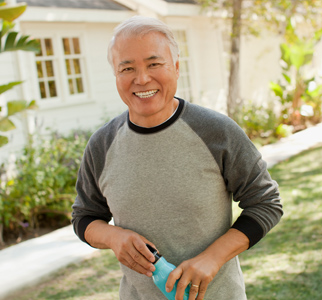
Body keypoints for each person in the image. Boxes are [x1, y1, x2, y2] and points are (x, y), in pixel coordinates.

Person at [72, 15, 283, 300]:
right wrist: (113, 237)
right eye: (127, 68)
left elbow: (266, 202)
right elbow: (85, 217)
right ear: (116, 75)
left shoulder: (217, 131)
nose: (142, 78)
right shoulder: (102, 144)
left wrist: (213, 258)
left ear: (176, 67)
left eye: (154, 63)